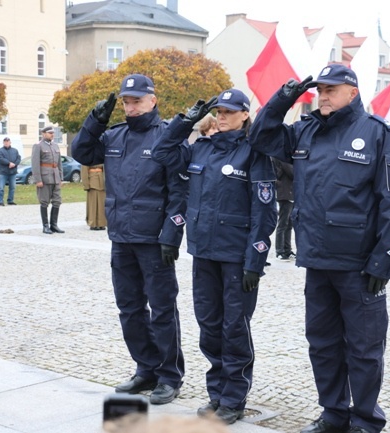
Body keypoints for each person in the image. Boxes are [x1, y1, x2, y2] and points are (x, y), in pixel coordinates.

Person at [249, 64, 390, 433]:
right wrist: (284, 98)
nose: (323, 96)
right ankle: (334, 413)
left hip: (359, 266)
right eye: (319, 90)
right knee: (322, 344)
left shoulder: (378, 135)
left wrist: (383, 262)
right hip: (317, 260)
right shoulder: (305, 132)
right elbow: (260, 137)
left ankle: (366, 420)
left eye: (332, 90)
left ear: (352, 93)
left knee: (364, 349)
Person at [152, 89, 276, 424]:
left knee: (234, 326)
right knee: (209, 325)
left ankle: (234, 398)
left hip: (236, 257)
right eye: (218, 111)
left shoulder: (254, 153)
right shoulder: (200, 149)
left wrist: (256, 260)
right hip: (204, 252)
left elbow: (265, 212)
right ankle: (217, 393)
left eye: (229, 112)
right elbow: (163, 151)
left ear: (244, 115)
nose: (221, 117)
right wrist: (187, 120)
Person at [72, 74, 187, 405]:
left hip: (154, 240)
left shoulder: (166, 136)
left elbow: (179, 192)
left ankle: (169, 375)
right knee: (130, 309)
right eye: (125, 102)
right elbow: (83, 151)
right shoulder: (114, 136)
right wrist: (96, 119)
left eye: (136, 101)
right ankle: (145, 368)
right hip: (121, 236)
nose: (130, 107)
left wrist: (171, 235)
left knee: (162, 310)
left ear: (153, 100)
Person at [32, 125, 64, 234]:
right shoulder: (38, 146)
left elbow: (59, 163)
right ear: (44, 134)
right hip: (45, 178)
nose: (52, 135)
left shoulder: (55, 146)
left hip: (55, 177)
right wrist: (38, 180)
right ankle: (45, 226)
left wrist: (61, 178)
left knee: (57, 201)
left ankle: (54, 225)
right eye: (50, 133)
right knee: (44, 202)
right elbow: (35, 164)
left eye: (53, 133)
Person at [273, 157, 296, 260]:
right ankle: (280, 250)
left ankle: (287, 249)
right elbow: (292, 172)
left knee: (289, 223)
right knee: (283, 223)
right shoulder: (283, 158)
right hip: (285, 193)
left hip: (289, 193)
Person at [80, 163, 106, 230]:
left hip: (102, 181)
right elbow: (84, 170)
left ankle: (101, 223)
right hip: (92, 181)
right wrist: (86, 184)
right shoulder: (87, 156)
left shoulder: (101, 155)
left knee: (101, 204)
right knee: (93, 204)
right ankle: (93, 223)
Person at [0, 136, 21, 206]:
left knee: (12, 187)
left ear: (10, 142)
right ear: (3, 143)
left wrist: (14, 164)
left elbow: (18, 158)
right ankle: (0, 201)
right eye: (5, 142)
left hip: (12, 172)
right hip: (3, 172)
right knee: (1, 187)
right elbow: (0, 159)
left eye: (8, 142)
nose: (6, 143)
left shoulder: (15, 150)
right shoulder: (0, 151)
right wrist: (9, 163)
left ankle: (10, 200)